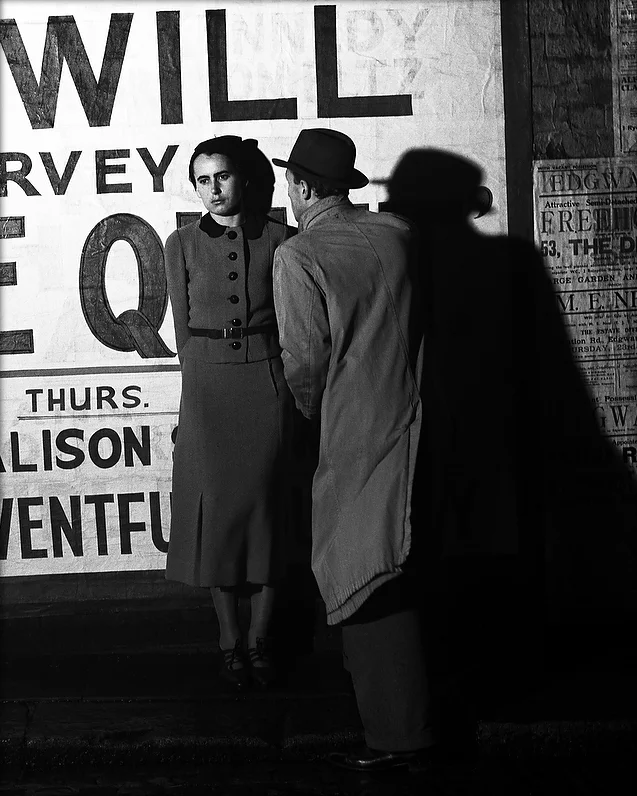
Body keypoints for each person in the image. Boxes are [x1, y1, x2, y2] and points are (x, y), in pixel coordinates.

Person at [271, 128, 433, 771]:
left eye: (289, 182)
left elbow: (305, 361)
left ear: (303, 188)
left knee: (363, 575)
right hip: (421, 421)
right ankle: (411, 723)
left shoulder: (300, 256)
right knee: (406, 565)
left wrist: (312, 417)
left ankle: (398, 736)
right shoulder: (399, 236)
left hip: (356, 430)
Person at [164, 135, 294, 691]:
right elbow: (183, 331)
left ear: (243, 179)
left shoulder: (284, 240)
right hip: (209, 390)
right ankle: (228, 640)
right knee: (217, 513)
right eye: (202, 180)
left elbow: (297, 322)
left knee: (268, 508)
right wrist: (192, 400)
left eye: (221, 176)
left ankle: (263, 637)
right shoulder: (180, 243)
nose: (212, 190)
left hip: (267, 381)